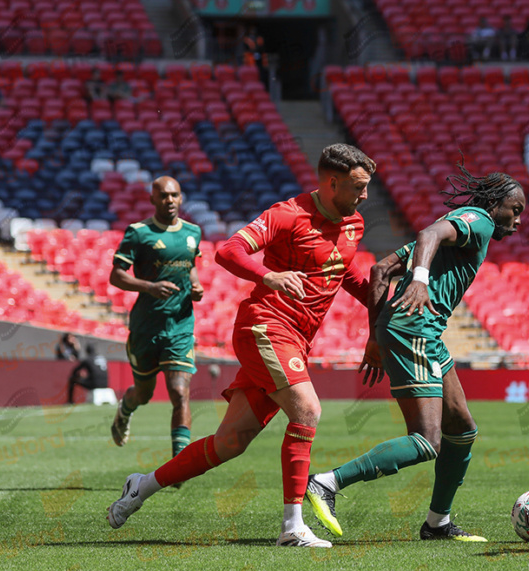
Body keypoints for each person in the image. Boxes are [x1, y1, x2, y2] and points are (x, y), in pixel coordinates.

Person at [106, 144, 375, 549]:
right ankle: (292, 527)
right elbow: (228, 250)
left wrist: (385, 302)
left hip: (296, 340)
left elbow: (344, 269)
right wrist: (269, 276)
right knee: (307, 409)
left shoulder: (354, 223)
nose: (365, 195)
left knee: (230, 442)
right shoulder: (288, 214)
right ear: (332, 183)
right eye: (358, 187)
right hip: (265, 326)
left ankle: (141, 486)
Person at [305, 166, 525, 543]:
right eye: (515, 210)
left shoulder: (457, 229)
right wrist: (420, 281)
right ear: (495, 203)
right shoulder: (480, 220)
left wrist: (375, 337)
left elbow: (381, 270)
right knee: (427, 440)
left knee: (462, 429)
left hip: (420, 331)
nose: (517, 220)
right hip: (416, 328)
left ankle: (437, 523)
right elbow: (429, 233)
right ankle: (327, 483)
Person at [109, 176, 203, 467]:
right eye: (163, 195)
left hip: (180, 325)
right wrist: (150, 287)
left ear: (181, 198)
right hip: (146, 327)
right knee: (144, 394)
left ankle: (179, 465)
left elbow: (190, 266)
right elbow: (116, 275)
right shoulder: (138, 233)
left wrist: (196, 285)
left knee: (179, 392)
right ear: (152, 199)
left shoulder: (193, 232)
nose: (170, 200)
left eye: (174, 195)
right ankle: (125, 410)